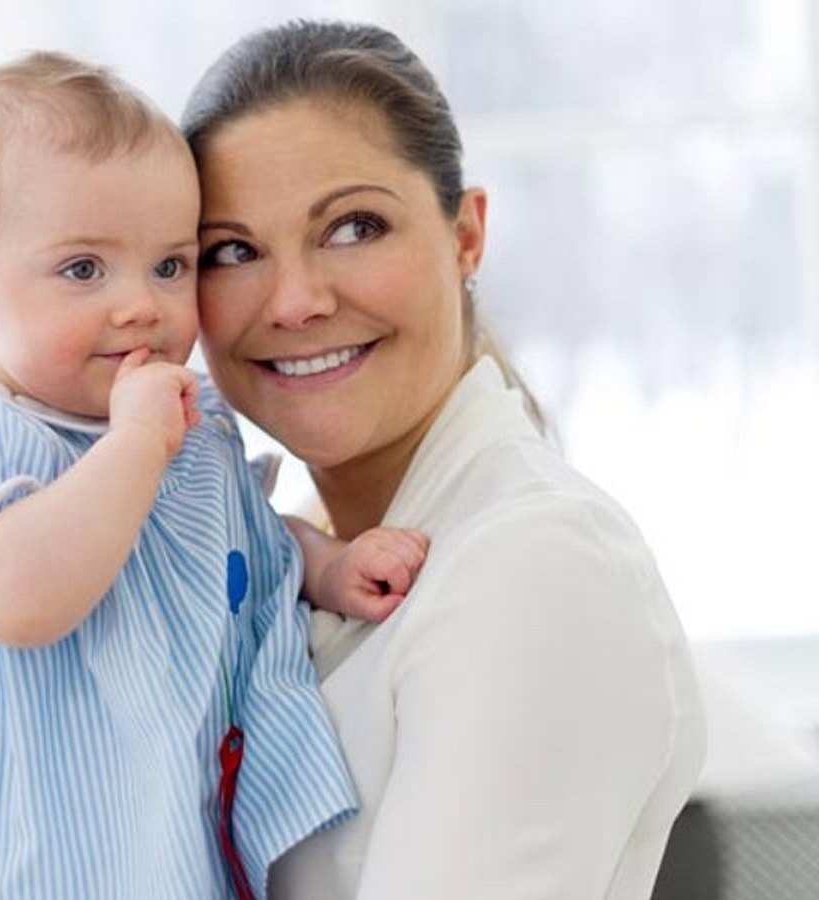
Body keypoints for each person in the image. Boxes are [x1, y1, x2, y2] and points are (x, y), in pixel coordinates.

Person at [0, 51, 432, 900]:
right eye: (84, 270)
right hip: (11, 870)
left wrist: (325, 565)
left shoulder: (187, 424)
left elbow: (228, 535)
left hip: (167, 855)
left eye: (170, 266)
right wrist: (133, 446)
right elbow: (18, 600)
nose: (141, 305)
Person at [182, 20, 706, 900]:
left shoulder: (531, 564)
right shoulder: (285, 556)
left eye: (354, 226)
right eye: (231, 252)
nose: (297, 301)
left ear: (466, 235)